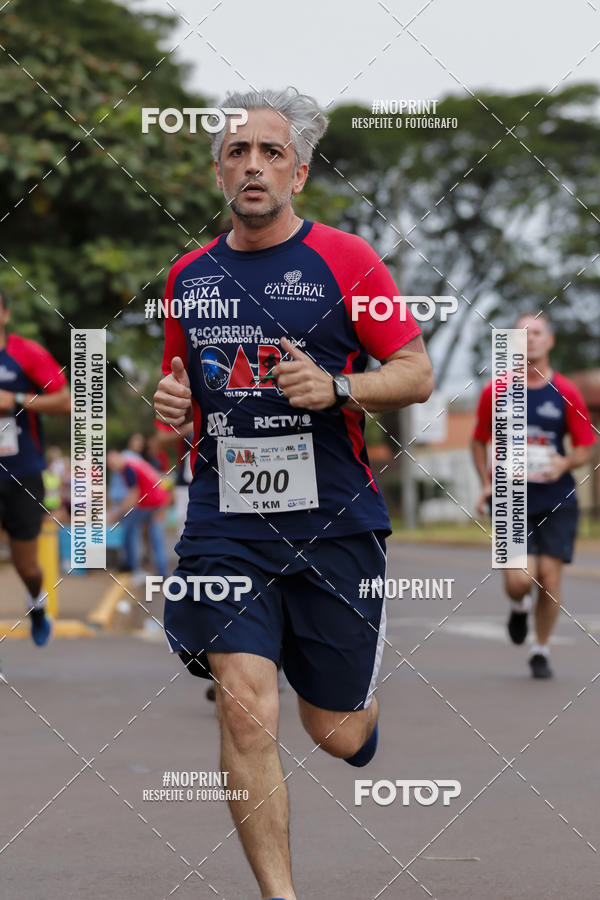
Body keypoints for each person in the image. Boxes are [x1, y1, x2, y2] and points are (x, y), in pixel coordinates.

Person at [153, 87, 433, 900]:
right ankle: (282, 895)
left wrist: (341, 389)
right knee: (244, 706)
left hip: (334, 521)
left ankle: (358, 705)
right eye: (237, 152)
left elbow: (414, 374)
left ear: (299, 172)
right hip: (225, 523)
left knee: (337, 733)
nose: (253, 166)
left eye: (270, 152)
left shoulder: (350, 261)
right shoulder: (187, 276)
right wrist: (171, 406)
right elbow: (183, 392)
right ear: (218, 170)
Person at [472, 313, 595, 679]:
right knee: (521, 578)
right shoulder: (495, 391)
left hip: (556, 495)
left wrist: (565, 462)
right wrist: (485, 481)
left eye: (537, 333)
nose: (531, 340)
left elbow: (586, 446)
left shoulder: (566, 392)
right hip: (510, 495)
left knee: (550, 577)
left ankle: (540, 649)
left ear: (550, 341)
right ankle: (519, 605)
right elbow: (479, 441)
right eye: (523, 334)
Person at [0, 286, 70, 645]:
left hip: (22, 473)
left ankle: (36, 602)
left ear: (5, 315)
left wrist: (15, 399)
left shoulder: (25, 353)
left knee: (26, 566)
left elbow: (66, 401)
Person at [106, 448, 170, 584]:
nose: (113, 467)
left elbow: (133, 496)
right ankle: (162, 573)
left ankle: (133, 568)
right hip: (158, 501)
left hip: (149, 504)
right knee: (156, 538)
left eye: (112, 463)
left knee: (130, 530)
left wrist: (116, 514)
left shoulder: (128, 468)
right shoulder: (134, 463)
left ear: (117, 456)